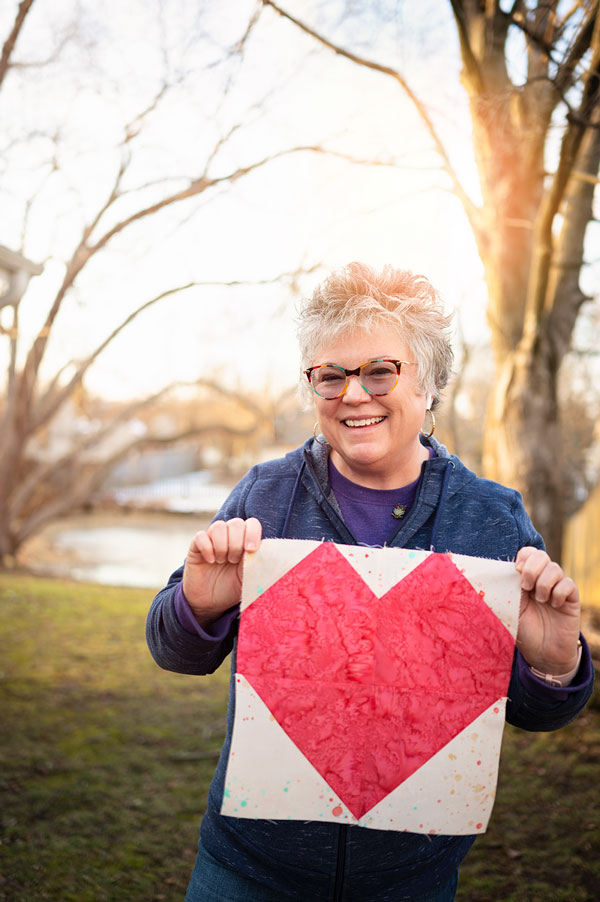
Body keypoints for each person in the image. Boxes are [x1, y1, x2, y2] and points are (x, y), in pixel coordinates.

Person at [147, 263, 594, 902]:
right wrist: (199, 605)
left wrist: (552, 667)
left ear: (432, 382)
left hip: (410, 881)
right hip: (248, 870)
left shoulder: (491, 518)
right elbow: (173, 651)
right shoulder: (265, 497)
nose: (353, 395)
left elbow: (532, 713)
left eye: (380, 371)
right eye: (331, 376)